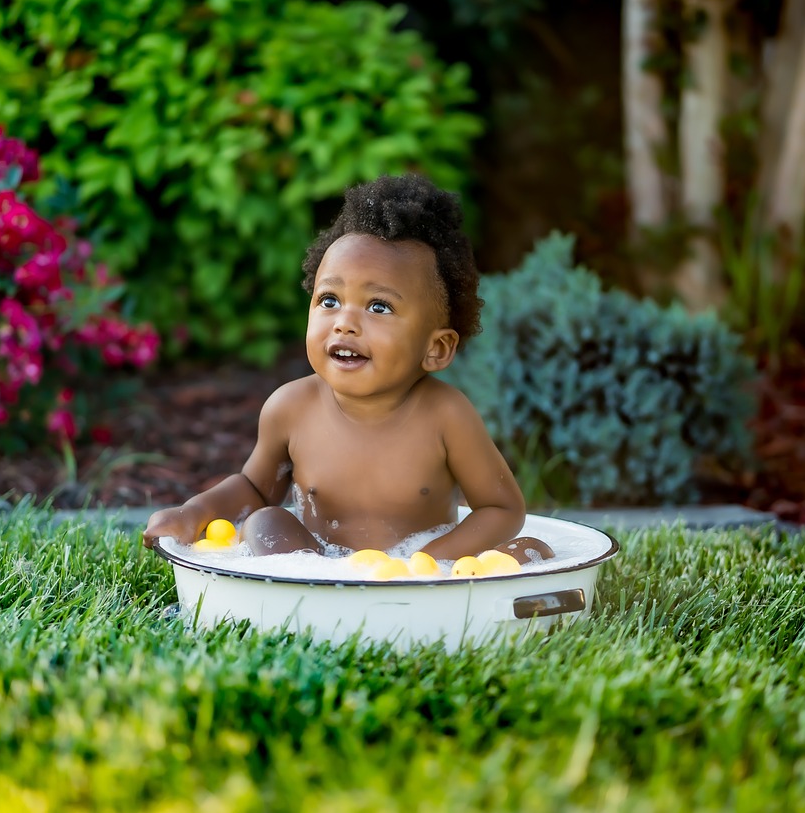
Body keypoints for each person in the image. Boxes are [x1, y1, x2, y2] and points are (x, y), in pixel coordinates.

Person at [142, 173, 552, 564]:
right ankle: (304, 594)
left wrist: (429, 563)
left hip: (412, 574)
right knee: (265, 521)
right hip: (317, 564)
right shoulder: (290, 408)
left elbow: (502, 508)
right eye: (329, 300)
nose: (344, 322)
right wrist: (191, 514)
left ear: (436, 348)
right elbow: (253, 489)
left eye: (379, 306)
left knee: (532, 548)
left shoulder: (447, 416)